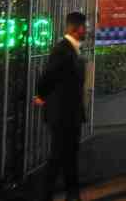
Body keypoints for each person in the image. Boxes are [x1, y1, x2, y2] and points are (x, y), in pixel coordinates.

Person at [36, 12, 88, 201]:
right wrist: (41, 95)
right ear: (76, 28)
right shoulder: (62, 50)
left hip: (70, 113)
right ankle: (46, 195)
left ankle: (73, 195)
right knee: (58, 156)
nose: (87, 30)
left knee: (70, 155)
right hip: (61, 114)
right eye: (84, 27)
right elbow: (47, 76)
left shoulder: (72, 49)